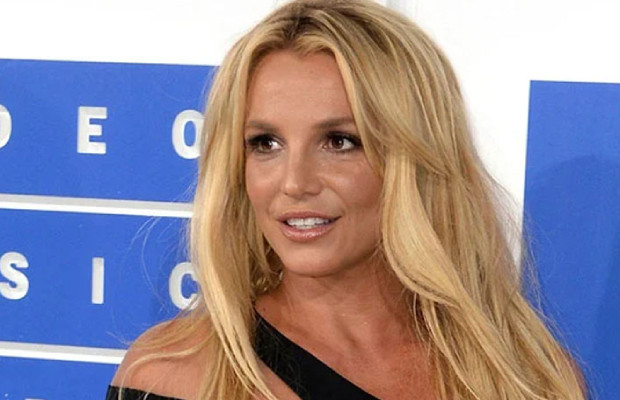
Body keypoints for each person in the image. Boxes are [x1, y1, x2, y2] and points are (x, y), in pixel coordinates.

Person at [108, 0, 587, 399]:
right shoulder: (174, 375)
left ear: (415, 160)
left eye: (339, 141)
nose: (294, 183)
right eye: (265, 143)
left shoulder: (525, 375)